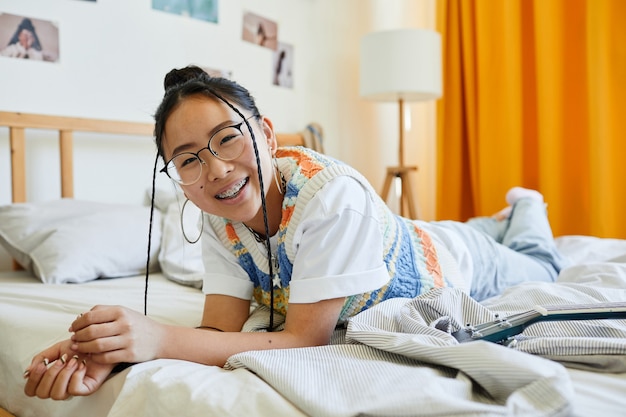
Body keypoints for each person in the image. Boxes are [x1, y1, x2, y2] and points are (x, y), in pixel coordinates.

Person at [23, 65, 568, 400]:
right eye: (187, 159)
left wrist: (158, 337)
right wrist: (111, 348)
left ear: (265, 133)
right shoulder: (219, 219)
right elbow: (217, 332)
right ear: (177, 179)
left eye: (227, 138)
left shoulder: (331, 198)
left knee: (540, 262)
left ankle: (524, 208)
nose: (214, 170)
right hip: (406, 237)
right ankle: (495, 220)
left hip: (454, 260)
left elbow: (306, 339)